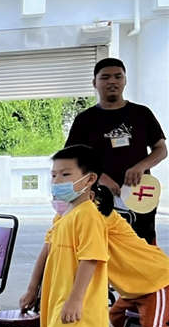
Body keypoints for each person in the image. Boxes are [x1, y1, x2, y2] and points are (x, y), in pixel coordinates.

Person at [18, 145, 112, 327]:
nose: (57, 181)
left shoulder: (88, 216)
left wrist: (75, 300)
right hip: (62, 305)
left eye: (66, 174)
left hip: (74, 308)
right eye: (54, 175)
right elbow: (46, 251)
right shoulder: (64, 215)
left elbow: (91, 259)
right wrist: (32, 288)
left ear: (90, 179)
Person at [65, 58, 166, 244]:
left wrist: (141, 166)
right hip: (99, 197)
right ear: (95, 83)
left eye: (118, 76)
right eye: (105, 77)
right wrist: (99, 176)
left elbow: (161, 149)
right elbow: (72, 158)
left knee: (144, 245)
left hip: (140, 194)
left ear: (125, 80)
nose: (112, 81)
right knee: (103, 246)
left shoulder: (142, 114)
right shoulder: (84, 120)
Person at [102, 204, 169, 327]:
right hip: (134, 288)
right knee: (117, 315)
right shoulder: (68, 219)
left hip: (157, 280)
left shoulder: (103, 217)